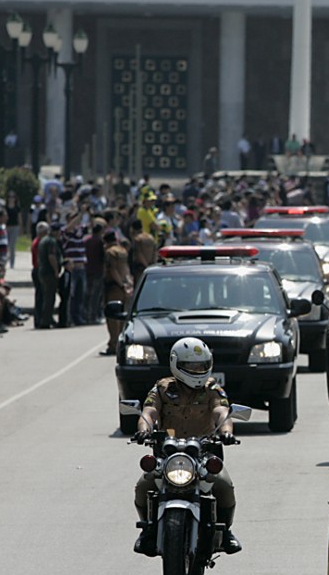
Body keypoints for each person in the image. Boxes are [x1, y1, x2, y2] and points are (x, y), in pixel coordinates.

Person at [132, 337, 242, 556]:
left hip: (203, 452)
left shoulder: (212, 388)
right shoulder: (162, 388)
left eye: (202, 366)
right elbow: (149, 412)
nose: (198, 371)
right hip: (168, 452)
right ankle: (146, 530)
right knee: (144, 485)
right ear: (176, 364)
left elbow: (221, 412)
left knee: (224, 485)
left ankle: (226, 532)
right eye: (191, 366)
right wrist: (144, 428)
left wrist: (226, 431)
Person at [101, 232, 132, 356]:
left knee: (112, 318)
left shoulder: (110, 253)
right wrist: (127, 284)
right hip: (125, 285)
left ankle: (113, 345)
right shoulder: (123, 251)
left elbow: (112, 270)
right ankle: (121, 342)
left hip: (114, 287)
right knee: (122, 317)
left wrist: (120, 284)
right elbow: (126, 269)